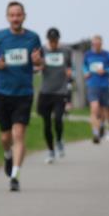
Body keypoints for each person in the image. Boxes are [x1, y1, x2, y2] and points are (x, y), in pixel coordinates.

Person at [0, 1, 44, 191]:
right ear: (8, 17)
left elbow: (40, 62)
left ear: (24, 16)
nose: (15, 18)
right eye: (12, 15)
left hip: (24, 93)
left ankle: (15, 176)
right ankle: (7, 154)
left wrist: (37, 60)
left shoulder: (33, 38)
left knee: (19, 133)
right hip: (3, 93)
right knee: (5, 137)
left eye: (18, 15)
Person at [37, 27, 72, 163]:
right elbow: (36, 65)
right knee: (46, 123)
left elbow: (70, 67)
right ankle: (51, 151)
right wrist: (39, 66)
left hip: (60, 91)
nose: (53, 43)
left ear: (58, 40)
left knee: (58, 119)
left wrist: (70, 73)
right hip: (46, 91)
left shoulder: (66, 51)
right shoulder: (42, 50)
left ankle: (59, 140)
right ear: (47, 40)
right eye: (51, 41)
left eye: (55, 41)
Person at [83, 35, 109, 143]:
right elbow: (84, 65)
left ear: (101, 44)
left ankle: (102, 125)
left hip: (104, 85)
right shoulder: (88, 54)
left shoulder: (107, 55)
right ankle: (95, 133)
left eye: (98, 44)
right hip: (92, 85)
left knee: (103, 111)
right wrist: (85, 72)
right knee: (94, 108)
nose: (96, 46)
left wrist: (106, 71)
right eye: (94, 44)